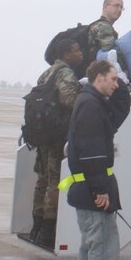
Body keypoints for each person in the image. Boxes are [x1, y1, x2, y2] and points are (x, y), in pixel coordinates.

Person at [62, 59, 130, 260]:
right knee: (101, 247)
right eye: (113, 79)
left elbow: (120, 110)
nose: (116, 85)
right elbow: (92, 152)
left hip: (91, 187)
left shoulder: (92, 102)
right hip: (94, 191)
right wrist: (100, 188)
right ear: (99, 79)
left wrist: (122, 86)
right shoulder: (91, 106)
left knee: (93, 244)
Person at [30, 39, 82, 249]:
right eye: (76, 50)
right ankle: (48, 232)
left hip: (42, 134)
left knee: (42, 180)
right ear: (66, 54)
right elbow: (69, 100)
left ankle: (37, 225)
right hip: (56, 136)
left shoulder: (47, 73)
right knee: (55, 182)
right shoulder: (66, 74)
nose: (80, 54)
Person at [87, 0, 125, 64]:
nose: (119, 10)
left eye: (121, 7)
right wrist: (125, 68)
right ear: (105, 7)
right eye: (116, 5)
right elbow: (112, 51)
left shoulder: (103, 26)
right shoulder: (102, 26)